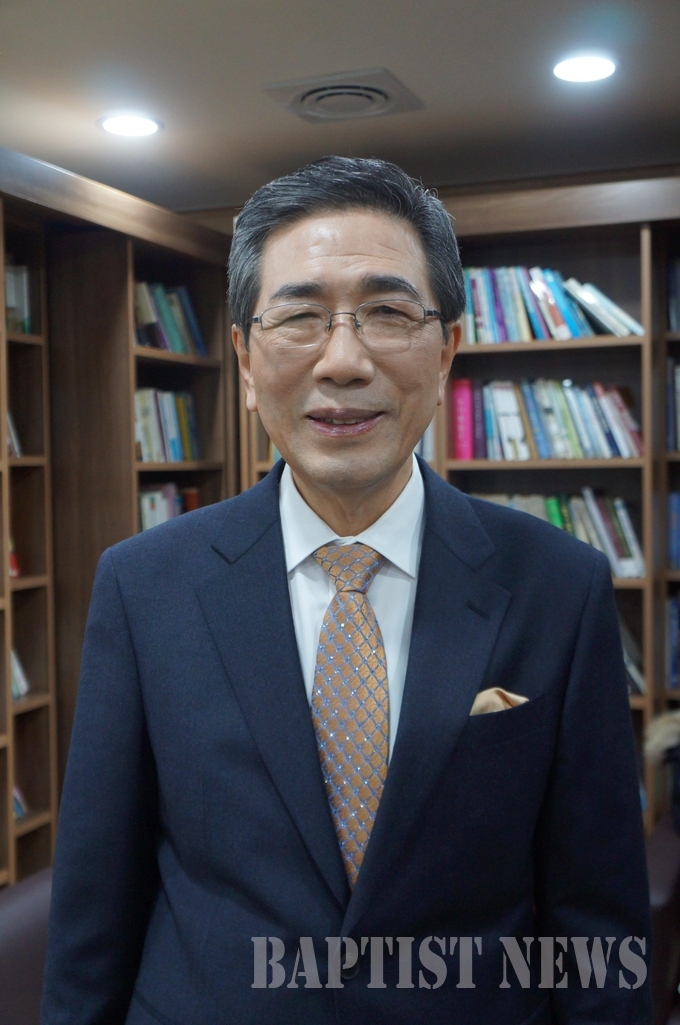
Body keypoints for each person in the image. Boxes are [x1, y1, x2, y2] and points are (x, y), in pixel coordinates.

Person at [42, 156, 652, 1025]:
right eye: (299, 316)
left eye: (388, 313)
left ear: (446, 349)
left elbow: (599, 922)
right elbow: (93, 913)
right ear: (245, 359)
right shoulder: (144, 586)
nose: (343, 360)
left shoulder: (560, 585)